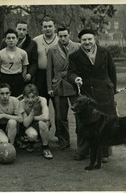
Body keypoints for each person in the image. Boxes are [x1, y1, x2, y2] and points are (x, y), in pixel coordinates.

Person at [67, 29, 117, 162]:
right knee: (83, 123)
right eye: (84, 40)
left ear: (94, 39)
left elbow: (112, 71)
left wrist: (113, 90)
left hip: (104, 94)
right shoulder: (74, 56)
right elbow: (70, 73)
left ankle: (104, 153)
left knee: (105, 123)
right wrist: (75, 78)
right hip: (86, 94)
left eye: (90, 39)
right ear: (80, 41)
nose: (87, 42)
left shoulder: (105, 52)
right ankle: (82, 151)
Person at [46, 27, 80, 150]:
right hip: (58, 84)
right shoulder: (52, 50)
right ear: (57, 36)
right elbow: (49, 70)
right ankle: (63, 140)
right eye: (60, 36)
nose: (63, 38)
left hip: (73, 84)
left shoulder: (77, 47)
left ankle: (81, 140)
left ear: (70, 34)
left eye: (65, 35)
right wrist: (50, 87)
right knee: (60, 116)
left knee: (79, 113)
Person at [19, 84, 53, 159]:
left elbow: (46, 117)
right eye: (27, 97)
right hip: (29, 125)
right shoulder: (21, 103)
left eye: (33, 97)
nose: (30, 100)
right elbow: (25, 123)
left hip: (42, 123)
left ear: (37, 96)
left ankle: (45, 147)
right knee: (32, 135)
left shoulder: (42, 100)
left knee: (42, 123)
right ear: (24, 97)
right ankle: (31, 142)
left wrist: (31, 118)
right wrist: (33, 110)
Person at [0, 28, 29, 97]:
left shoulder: (23, 53)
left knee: (18, 99)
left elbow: (25, 68)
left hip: (17, 78)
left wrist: (21, 78)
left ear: (17, 39)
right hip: (5, 77)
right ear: (5, 40)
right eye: (9, 38)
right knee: (5, 98)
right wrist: (1, 80)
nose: (11, 40)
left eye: (13, 38)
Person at [33, 17, 59, 103]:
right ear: (42, 28)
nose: (48, 29)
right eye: (45, 26)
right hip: (41, 75)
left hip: (56, 75)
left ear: (55, 27)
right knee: (42, 103)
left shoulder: (60, 40)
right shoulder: (36, 40)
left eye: (50, 26)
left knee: (58, 103)